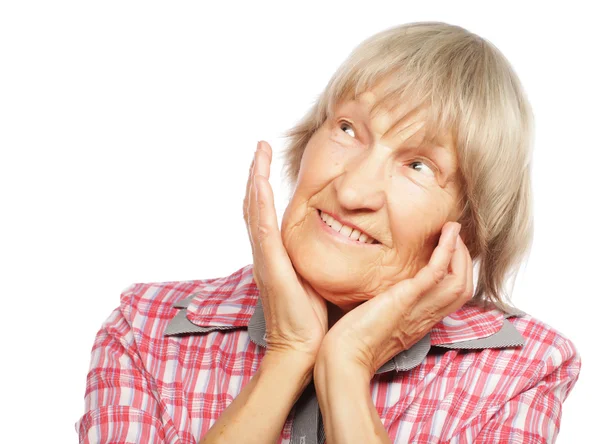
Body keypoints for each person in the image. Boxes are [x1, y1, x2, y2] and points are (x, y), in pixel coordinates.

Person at [75, 21, 581, 443]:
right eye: (347, 129)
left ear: (467, 228)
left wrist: (347, 366)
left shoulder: (523, 369)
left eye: (419, 166)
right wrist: (289, 352)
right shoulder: (144, 330)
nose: (354, 189)